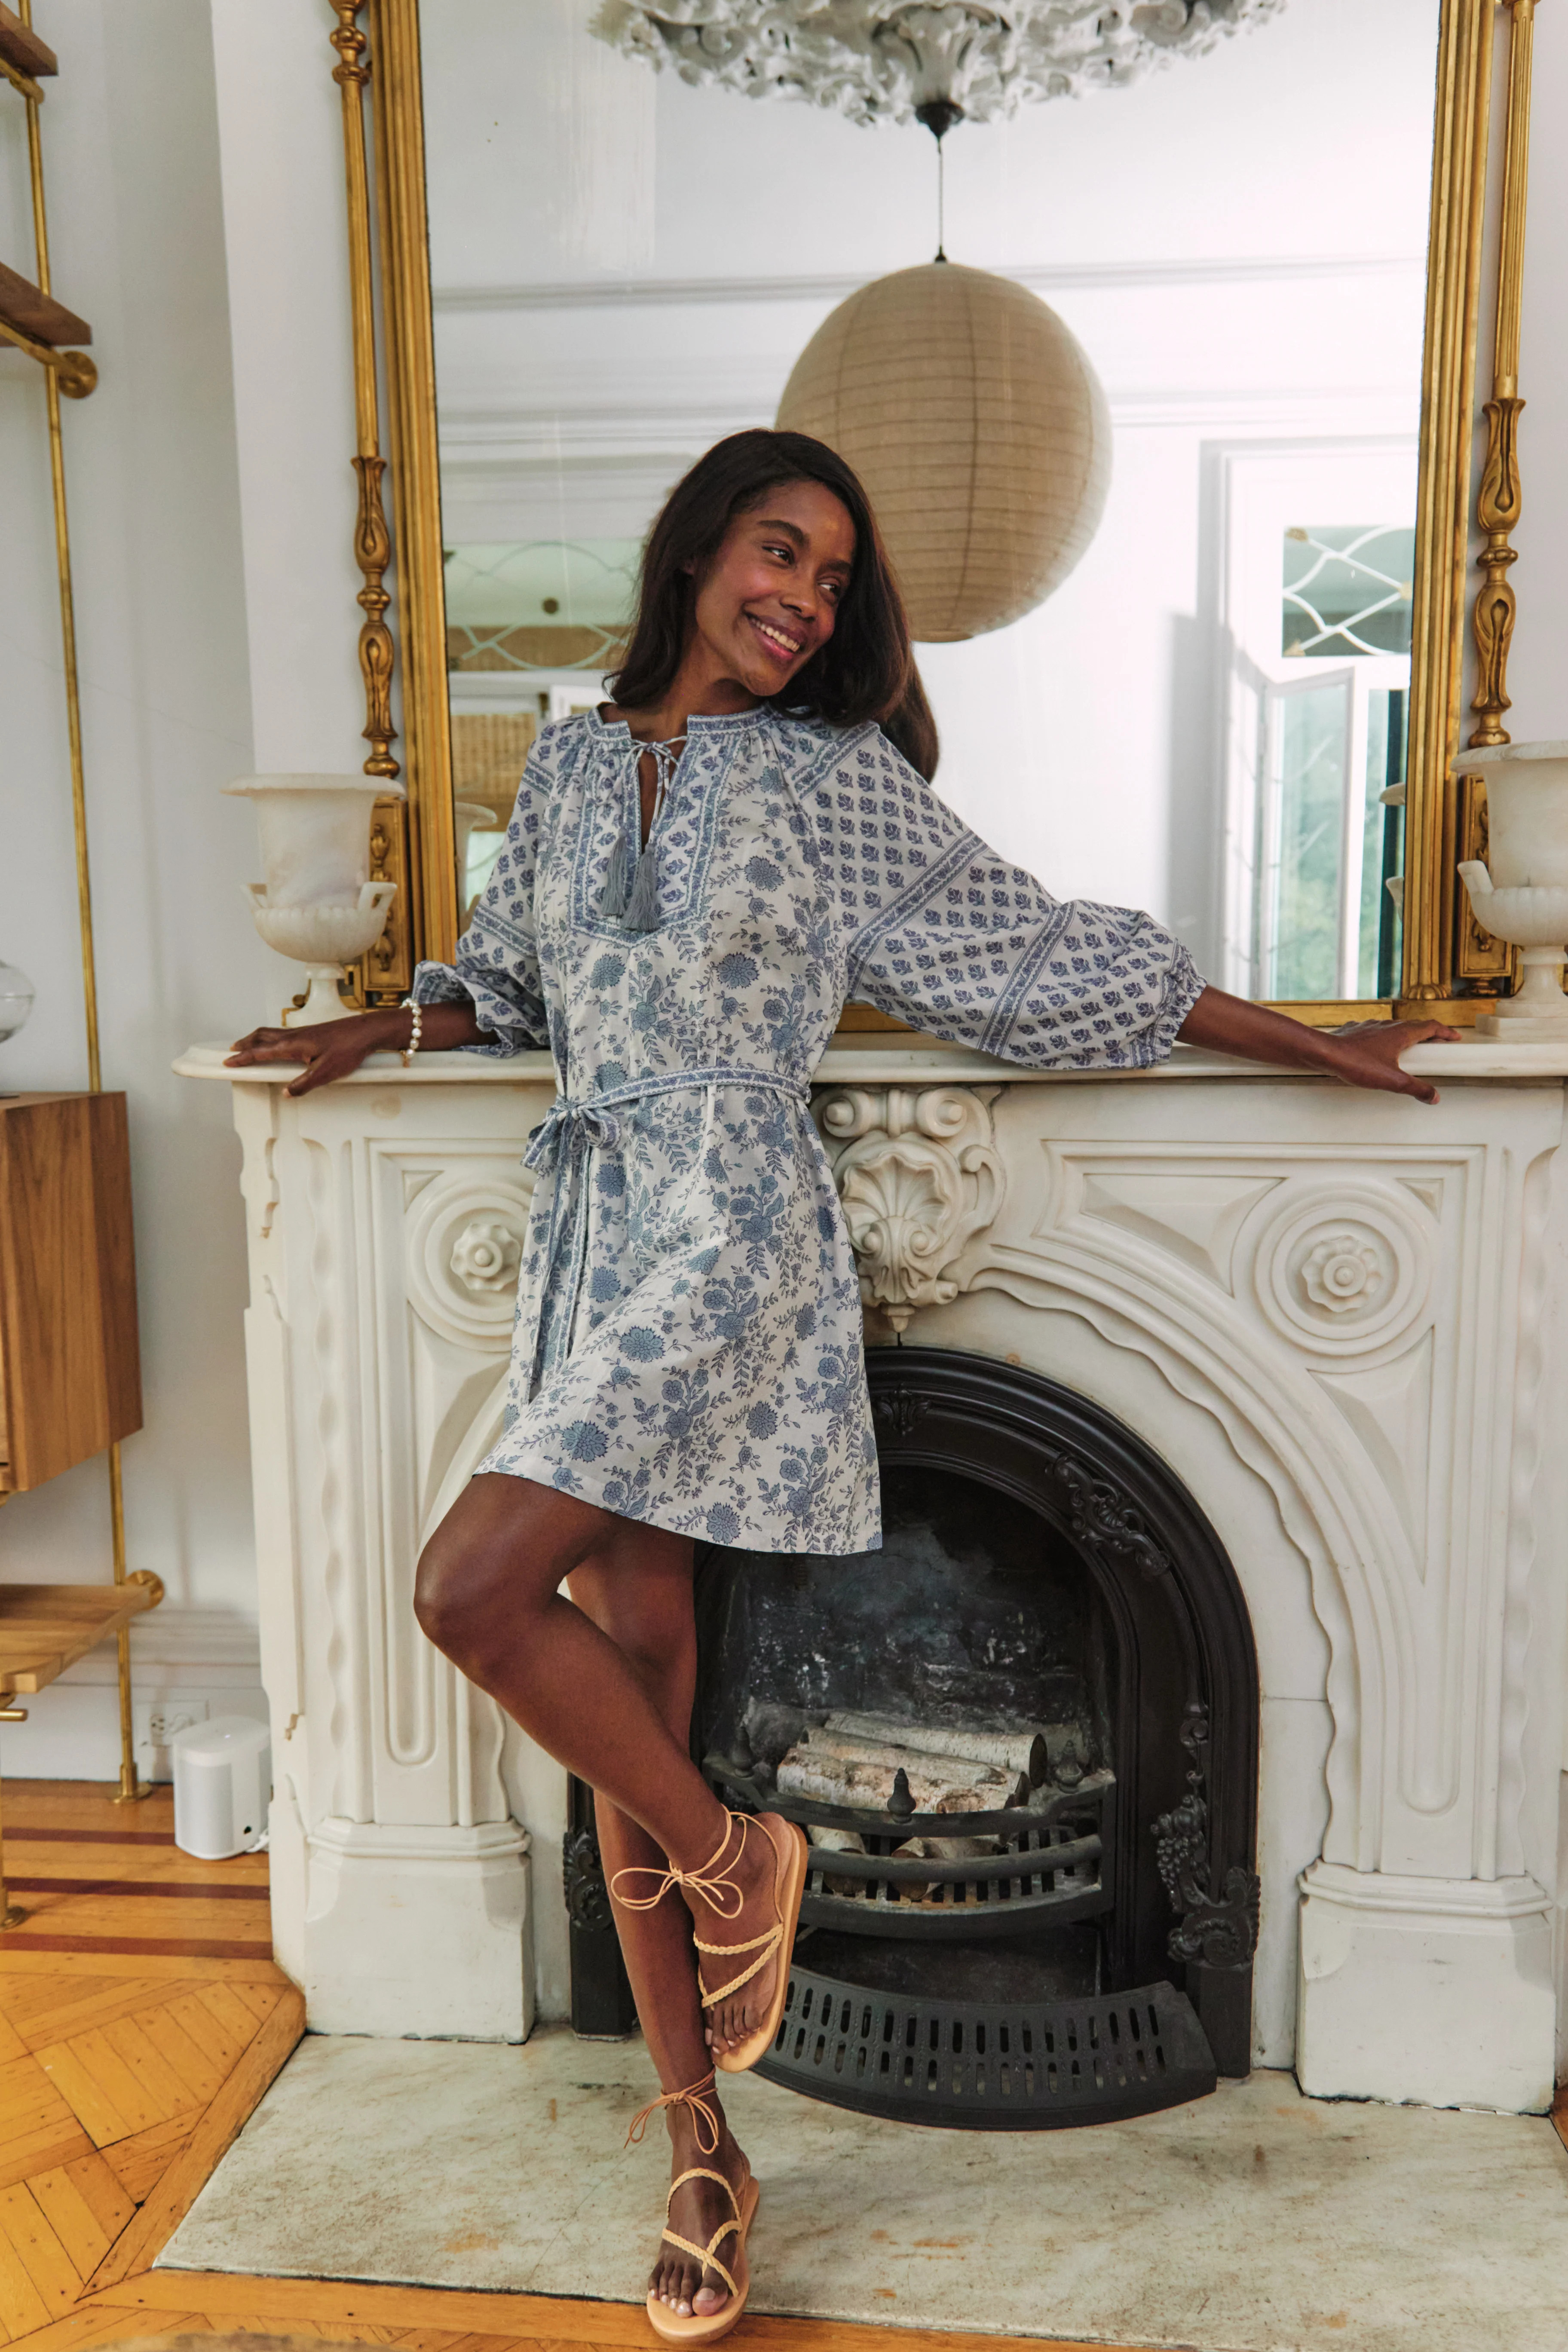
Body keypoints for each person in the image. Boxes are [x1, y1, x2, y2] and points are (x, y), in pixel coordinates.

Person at [227, 429, 1458, 2342]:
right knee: (631, 1695)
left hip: (732, 1227)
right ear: (697, 547)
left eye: (831, 577)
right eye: (778, 550)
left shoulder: (834, 777)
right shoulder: (563, 766)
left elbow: (1035, 955)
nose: (803, 597)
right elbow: (517, 983)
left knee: (467, 1589)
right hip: (591, 1225)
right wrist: (382, 1023)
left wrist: (1321, 1041)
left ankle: (745, 1859)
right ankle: (703, 2158)